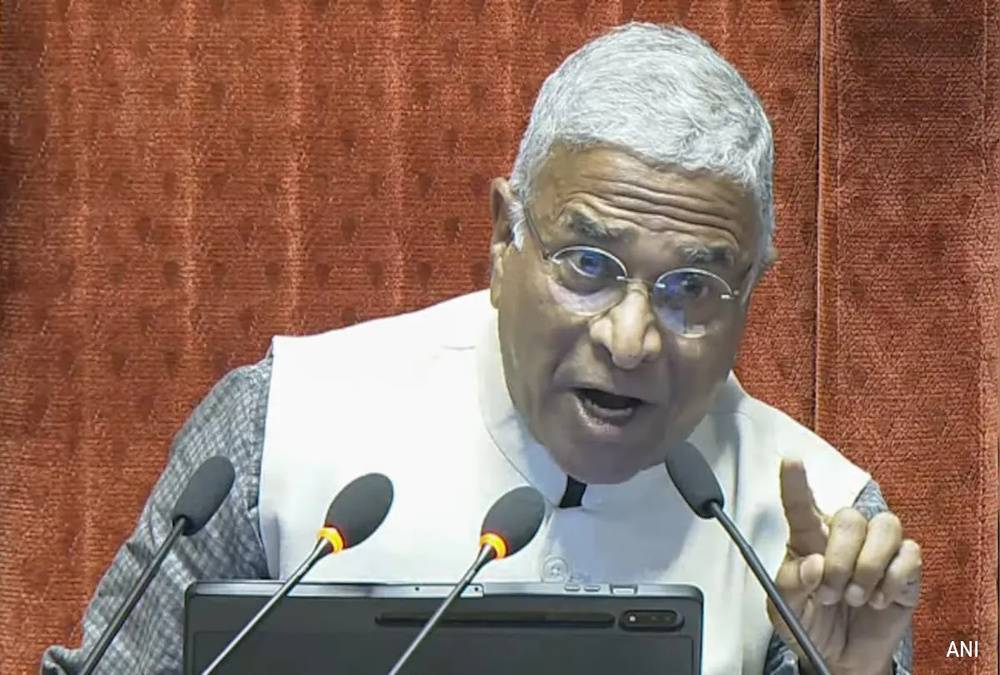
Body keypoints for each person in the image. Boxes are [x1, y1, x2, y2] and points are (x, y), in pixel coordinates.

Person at [43, 23, 919, 675]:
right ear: (505, 239)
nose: (629, 340)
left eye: (691, 286)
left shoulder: (821, 531)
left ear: (752, 289)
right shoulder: (277, 430)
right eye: (588, 264)